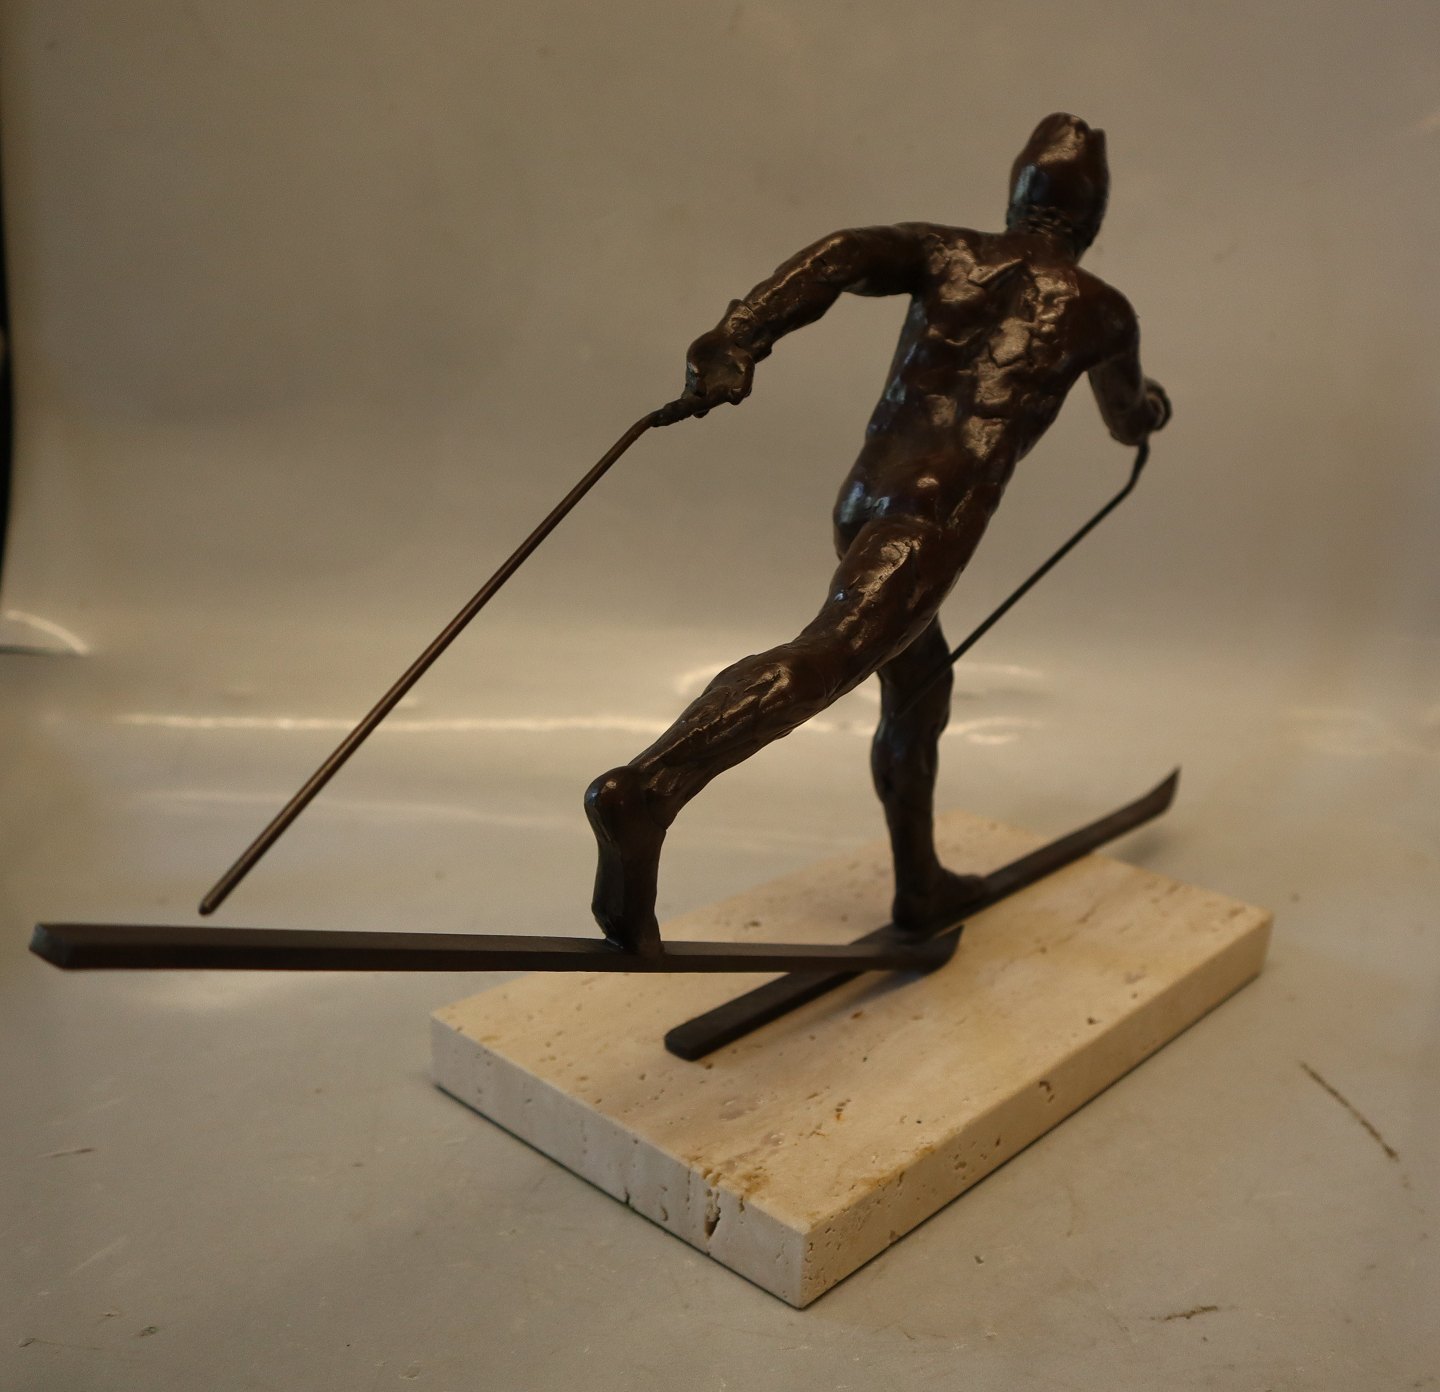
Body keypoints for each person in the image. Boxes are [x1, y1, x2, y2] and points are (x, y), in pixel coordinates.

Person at [585, 112, 1171, 956]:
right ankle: (650, 788)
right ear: (1093, 216)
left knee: (920, 688)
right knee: (830, 654)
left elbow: (841, 254)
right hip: (932, 519)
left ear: (1018, 192)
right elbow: (1127, 417)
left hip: (864, 499)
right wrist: (1153, 410)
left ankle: (919, 882)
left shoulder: (946, 251)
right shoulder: (1103, 312)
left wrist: (742, 332)